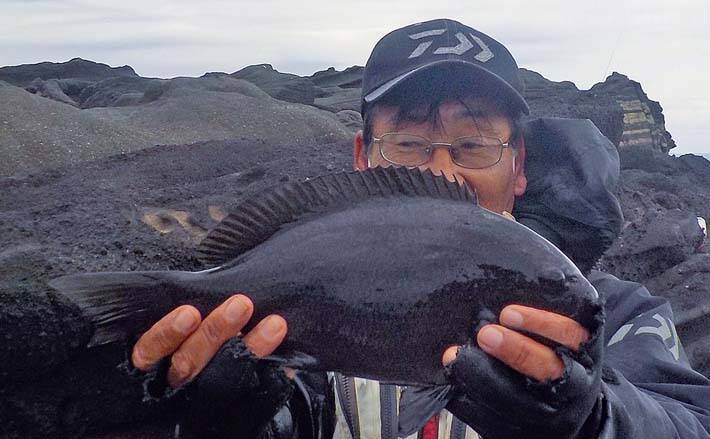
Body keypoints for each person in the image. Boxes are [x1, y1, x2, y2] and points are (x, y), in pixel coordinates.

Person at [127, 19, 710, 438]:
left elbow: (688, 421)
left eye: (473, 145)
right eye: (408, 144)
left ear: (520, 166)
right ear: (363, 157)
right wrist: (214, 417)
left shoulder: (614, 311)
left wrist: (595, 419)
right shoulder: (299, 301)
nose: (443, 171)